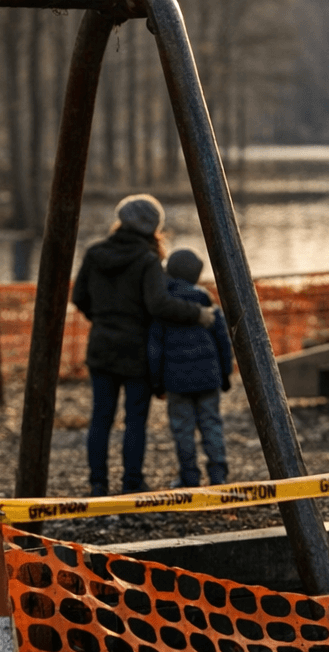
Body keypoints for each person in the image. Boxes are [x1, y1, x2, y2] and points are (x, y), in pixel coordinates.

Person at [72, 195, 218, 497]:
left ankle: (98, 483)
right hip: (136, 351)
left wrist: (101, 319)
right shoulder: (148, 260)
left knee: (101, 417)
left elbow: (79, 298)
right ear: (153, 227)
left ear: (121, 220)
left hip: (100, 346)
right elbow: (159, 304)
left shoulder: (95, 253)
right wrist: (198, 314)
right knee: (135, 420)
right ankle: (132, 483)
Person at [148, 249, 234, 487]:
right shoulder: (207, 302)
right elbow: (223, 342)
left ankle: (190, 476)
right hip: (208, 378)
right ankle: (218, 475)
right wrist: (225, 374)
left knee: (182, 429)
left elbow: (155, 348)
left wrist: (156, 383)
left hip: (176, 381)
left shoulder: (164, 306)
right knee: (212, 424)